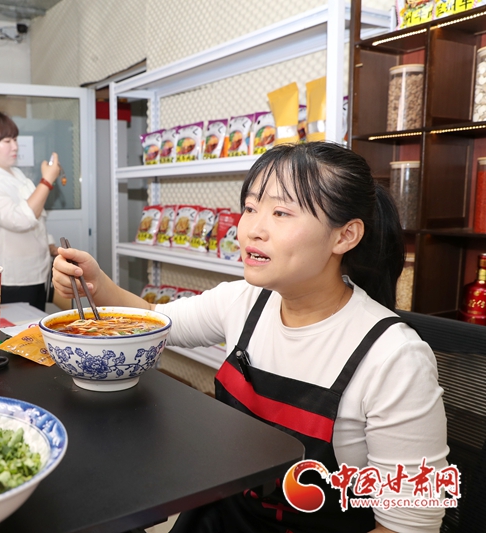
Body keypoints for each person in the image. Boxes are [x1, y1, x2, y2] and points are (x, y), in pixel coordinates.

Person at [52, 143, 448, 533]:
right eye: (251, 208)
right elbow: (156, 322)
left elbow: (410, 526)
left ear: (344, 236)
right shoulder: (244, 301)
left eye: (281, 212)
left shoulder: (395, 357)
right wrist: (95, 283)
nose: (252, 230)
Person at [0, 109, 61, 311]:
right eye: (7, 141)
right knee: (19, 329)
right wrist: (46, 181)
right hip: (13, 278)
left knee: (35, 325)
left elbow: (36, 212)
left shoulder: (15, 173)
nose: (15, 146)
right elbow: (22, 219)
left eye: (15, 139)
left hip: (37, 271)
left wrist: (49, 243)